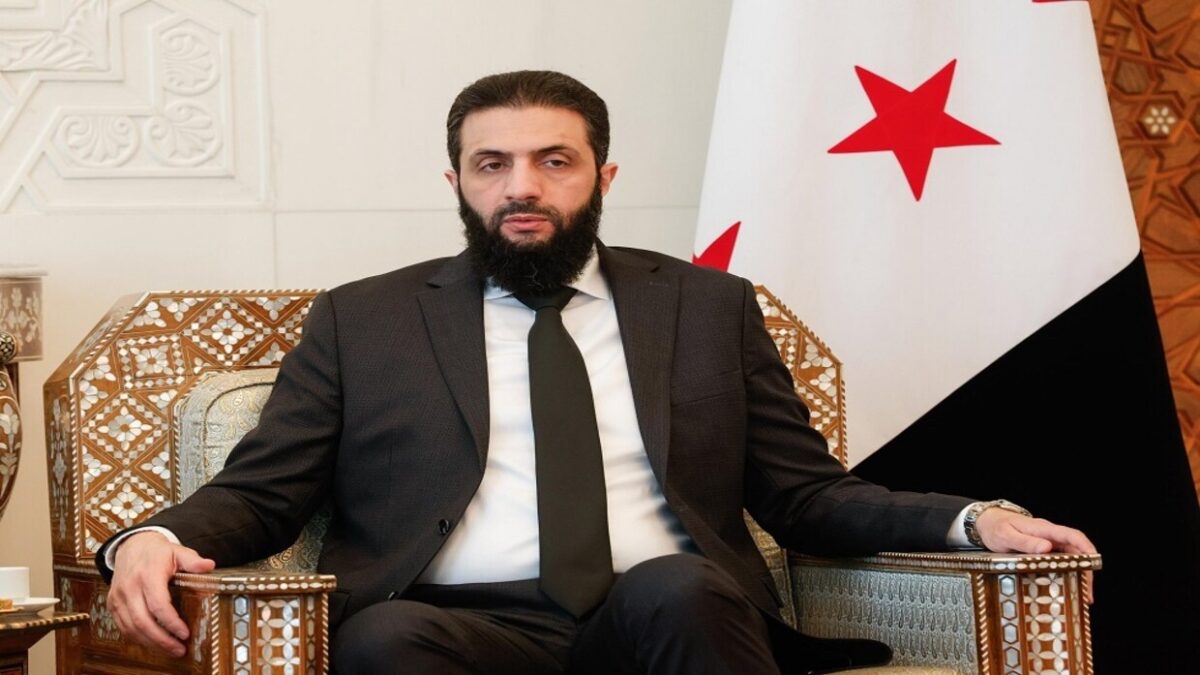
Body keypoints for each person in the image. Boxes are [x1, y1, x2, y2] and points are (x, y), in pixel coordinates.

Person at [97, 70, 1095, 674]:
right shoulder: (366, 320)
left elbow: (807, 495)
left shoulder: (707, 306)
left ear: (603, 176)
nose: (521, 187)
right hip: (457, 628)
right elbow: (263, 491)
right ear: (457, 183)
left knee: (677, 586)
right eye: (491, 164)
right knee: (383, 641)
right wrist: (152, 537)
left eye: (554, 160)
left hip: (665, 616)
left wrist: (974, 520)